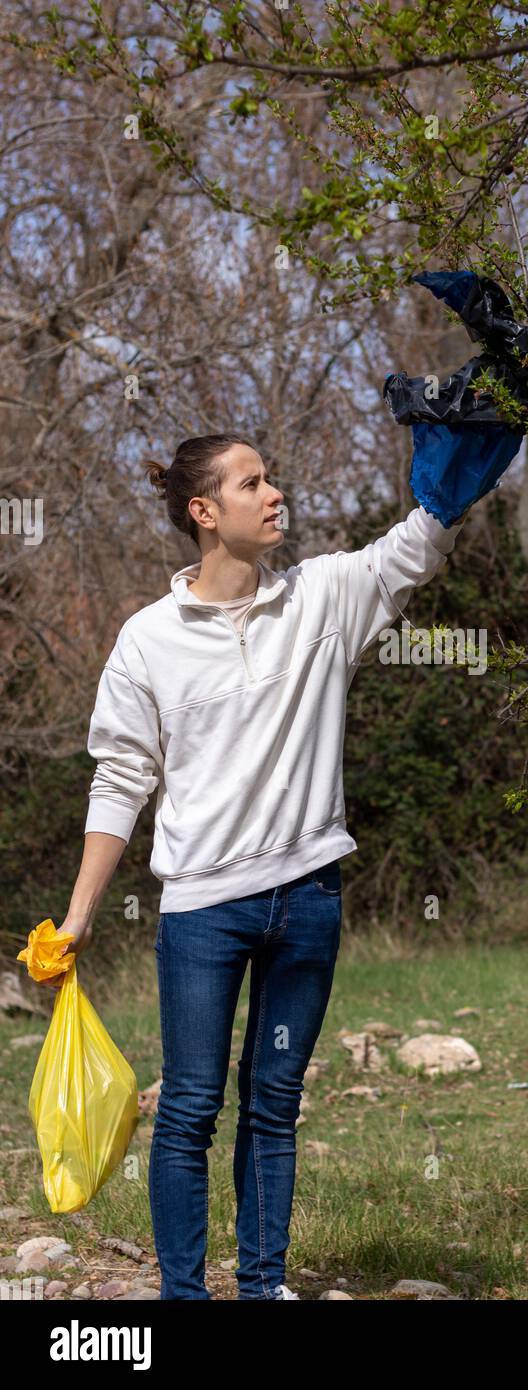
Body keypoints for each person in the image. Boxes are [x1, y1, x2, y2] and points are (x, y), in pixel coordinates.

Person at [50, 434, 469, 1300]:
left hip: (310, 899)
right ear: (206, 512)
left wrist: (469, 450)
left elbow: (415, 547)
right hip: (204, 912)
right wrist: (80, 915)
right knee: (192, 1109)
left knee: (274, 1102)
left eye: (271, 477)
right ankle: (181, 1295)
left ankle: (264, 1285)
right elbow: (122, 777)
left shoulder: (321, 599)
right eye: (253, 483)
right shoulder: (147, 642)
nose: (275, 493)